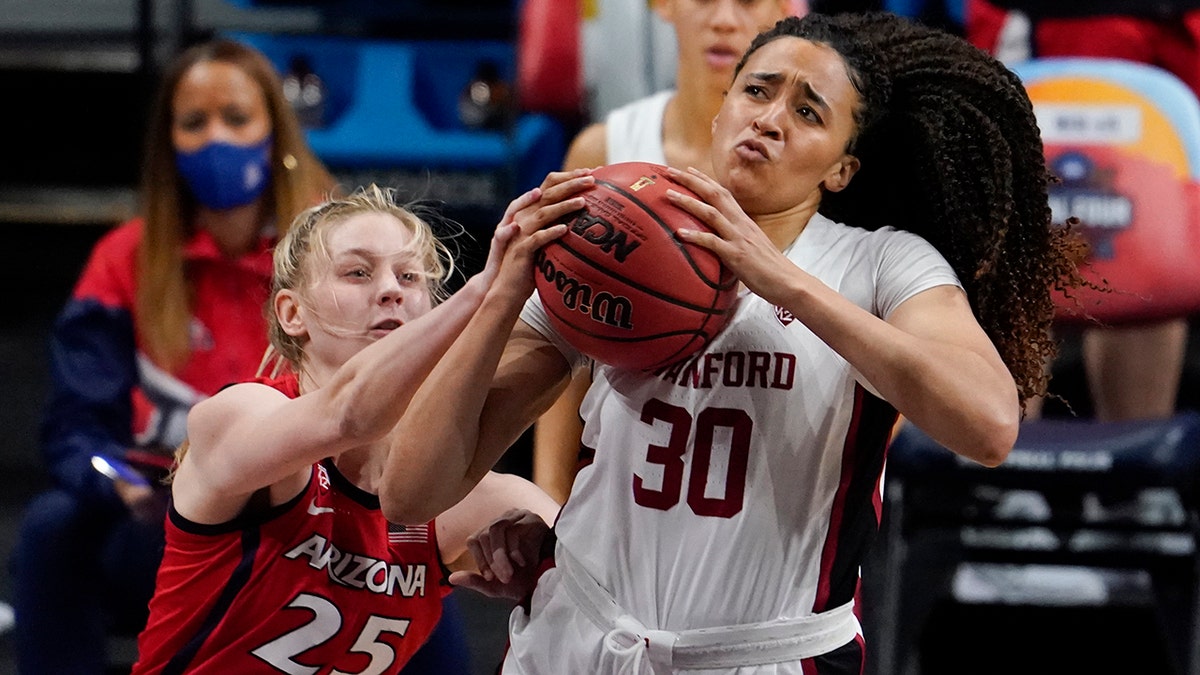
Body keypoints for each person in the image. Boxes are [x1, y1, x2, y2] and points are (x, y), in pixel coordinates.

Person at [379, 11, 1086, 673]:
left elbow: (990, 426)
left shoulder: (882, 265)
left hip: (767, 652)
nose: (771, 119)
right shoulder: (617, 233)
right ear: (722, 109)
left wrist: (781, 280)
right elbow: (411, 492)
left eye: (809, 111)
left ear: (841, 169)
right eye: (757, 91)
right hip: (582, 632)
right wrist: (501, 297)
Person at [129, 184, 564, 673]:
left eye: (410, 277)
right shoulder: (236, 416)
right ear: (293, 314)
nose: (391, 289)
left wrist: (544, 555)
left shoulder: (457, 495)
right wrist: (488, 291)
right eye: (357, 272)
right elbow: (350, 415)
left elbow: (604, 578)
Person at [8, 39, 338, 674]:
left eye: (237, 118)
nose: (217, 137)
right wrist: (111, 482)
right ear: (170, 144)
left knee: (408, 546)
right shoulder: (124, 261)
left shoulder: (334, 255)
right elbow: (76, 424)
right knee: (52, 528)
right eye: (194, 123)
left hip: (304, 519)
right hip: (159, 516)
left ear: (275, 129)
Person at [534, 0, 798, 504]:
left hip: (759, 488)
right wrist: (549, 495)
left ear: (785, 9)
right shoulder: (603, 151)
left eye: (746, 1)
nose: (723, 19)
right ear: (664, 5)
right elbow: (561, 338)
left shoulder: (806, 170)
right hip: (622, 478)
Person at [965, 0, 1198, 421]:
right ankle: (993, 472)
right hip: (1052, 23)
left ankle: (1134, 479)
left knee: (1154, 238)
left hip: (1183, 25)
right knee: (1017, 248)